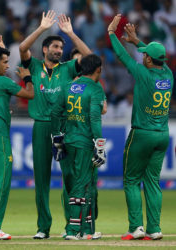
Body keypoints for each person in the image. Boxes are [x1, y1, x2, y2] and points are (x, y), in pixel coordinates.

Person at [19, 10, 91, 239]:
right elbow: (22, 48)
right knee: (41, 180)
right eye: (55, 47)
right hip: (41, 125)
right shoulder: (33, 66)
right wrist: (41, 28)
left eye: (61, 48)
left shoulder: (69, 68)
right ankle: (43, 228)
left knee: (69, 176)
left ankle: (73, 226)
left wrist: (71, 33)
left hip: (64, 126)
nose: (59, 51)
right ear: (45, 49)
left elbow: (90, 59)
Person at [108, 14, 174, 240]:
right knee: (153, 182)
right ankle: (154, 229)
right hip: (162, 135)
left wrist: (112, 34)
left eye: (145, 55)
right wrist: (137, 41)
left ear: (148, 60)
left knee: (131, 180)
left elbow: (121, 55)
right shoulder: (168, 73)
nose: (143, 56)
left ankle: (136, 227)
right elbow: (154, 55)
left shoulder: (143, 73)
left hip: (142, 134)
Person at [0, 45, 34, 240]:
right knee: (1, 180)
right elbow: (30, 94)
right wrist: (27, 77)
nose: (8, 66)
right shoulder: (3, 81)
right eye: (4, 62)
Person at [51, 54, 106, 240]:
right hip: (84, 142)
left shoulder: (68, 87)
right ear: (98, 69)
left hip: (69, 140)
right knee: (81, 184)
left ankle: (87, 230)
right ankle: (73, 230)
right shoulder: (95, 89)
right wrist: (100, 145)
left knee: (86, 184)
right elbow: (95, 119)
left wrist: (57, 137)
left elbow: (55, 112)